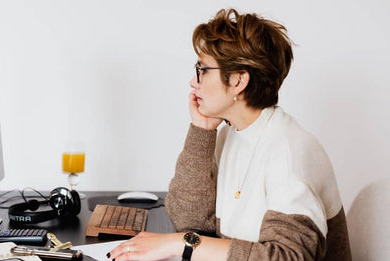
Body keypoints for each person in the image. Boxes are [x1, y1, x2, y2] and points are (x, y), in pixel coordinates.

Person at [107, 8, 351, 261]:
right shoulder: (231, 134)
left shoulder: (289, 151)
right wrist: (202, 131)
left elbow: (288, 257)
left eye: (202, 69)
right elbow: (189, 219)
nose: (193, 81)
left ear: (238, 80)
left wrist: (181, 244)